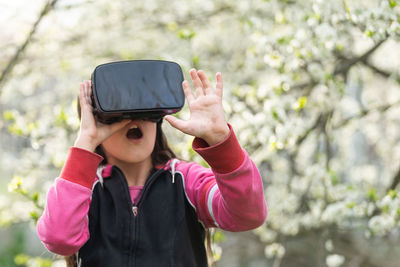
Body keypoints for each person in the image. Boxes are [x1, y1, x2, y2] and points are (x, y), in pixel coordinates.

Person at [37, 68, 267, 267]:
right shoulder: (85, 190)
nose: (135, 120)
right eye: (119, 113)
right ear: (97, 121)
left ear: (159, 117)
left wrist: (220, 141)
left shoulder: (186, 182)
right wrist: (86, 140)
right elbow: (59, 238)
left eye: (146, 110)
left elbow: (248, 215)